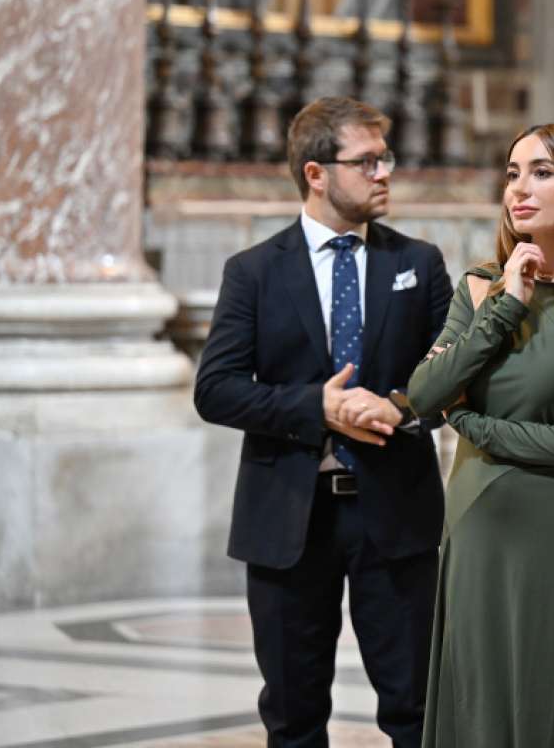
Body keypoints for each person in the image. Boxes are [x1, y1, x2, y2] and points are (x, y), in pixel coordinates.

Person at [194, 97, 453, 746]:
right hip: (288, 517)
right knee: (293, 716)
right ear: (316, 173)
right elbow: (216, 390)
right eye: (366, 162)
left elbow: (455, 376)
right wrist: (317, 407)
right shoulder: (253, 272)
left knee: (418, 711)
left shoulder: (418, 264)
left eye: (385, 159)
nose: (383, 173)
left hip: (396, 513)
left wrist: (398, 405)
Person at [404, 123, 554, 748]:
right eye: (512, 173)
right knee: (476, 706)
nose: (519, 188)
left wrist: (473, 423)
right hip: (476, 523)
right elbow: (424, 394)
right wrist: (506, 303)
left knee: (548, 708)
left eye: (541, 173)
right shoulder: (480, 286)